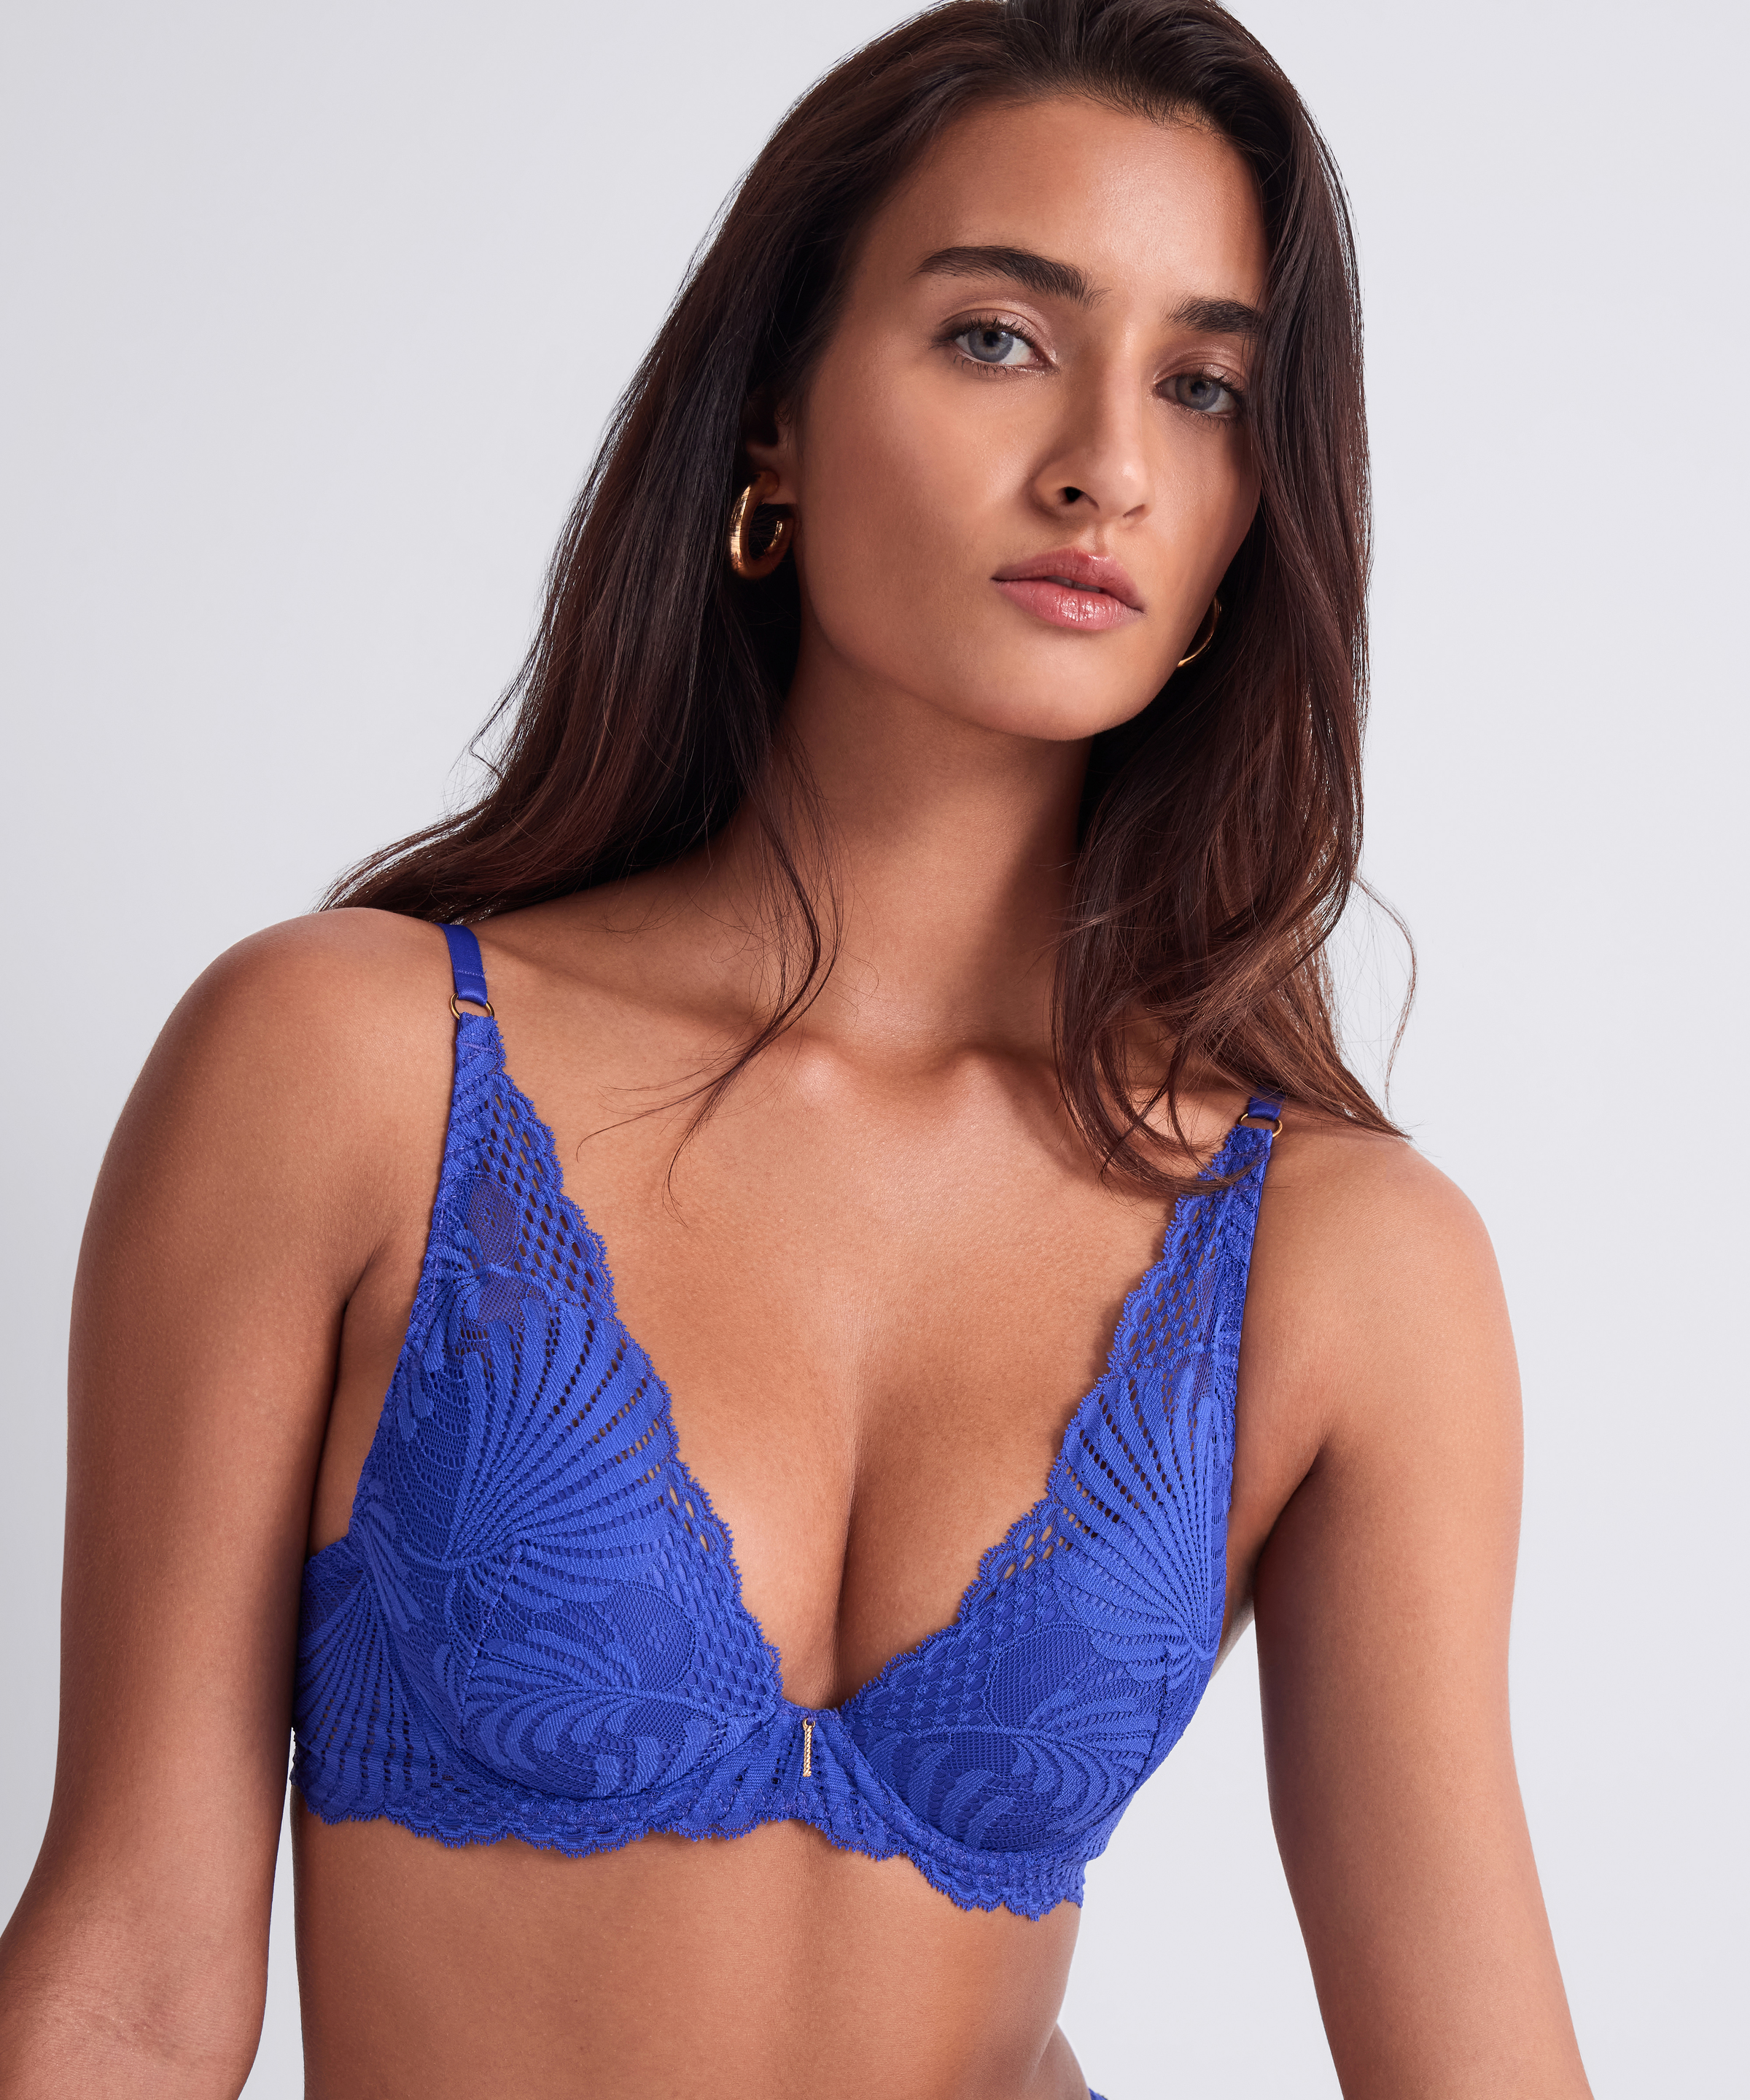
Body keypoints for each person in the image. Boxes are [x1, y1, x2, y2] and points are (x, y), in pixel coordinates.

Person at [0, 1, 1594, 2094]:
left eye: (1202, 386)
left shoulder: (1347, 1261)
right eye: (999, 337)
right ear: (772, 422)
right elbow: (128, 1986)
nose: (1106, 464)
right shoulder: (346, 1068)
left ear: (1247, 517)